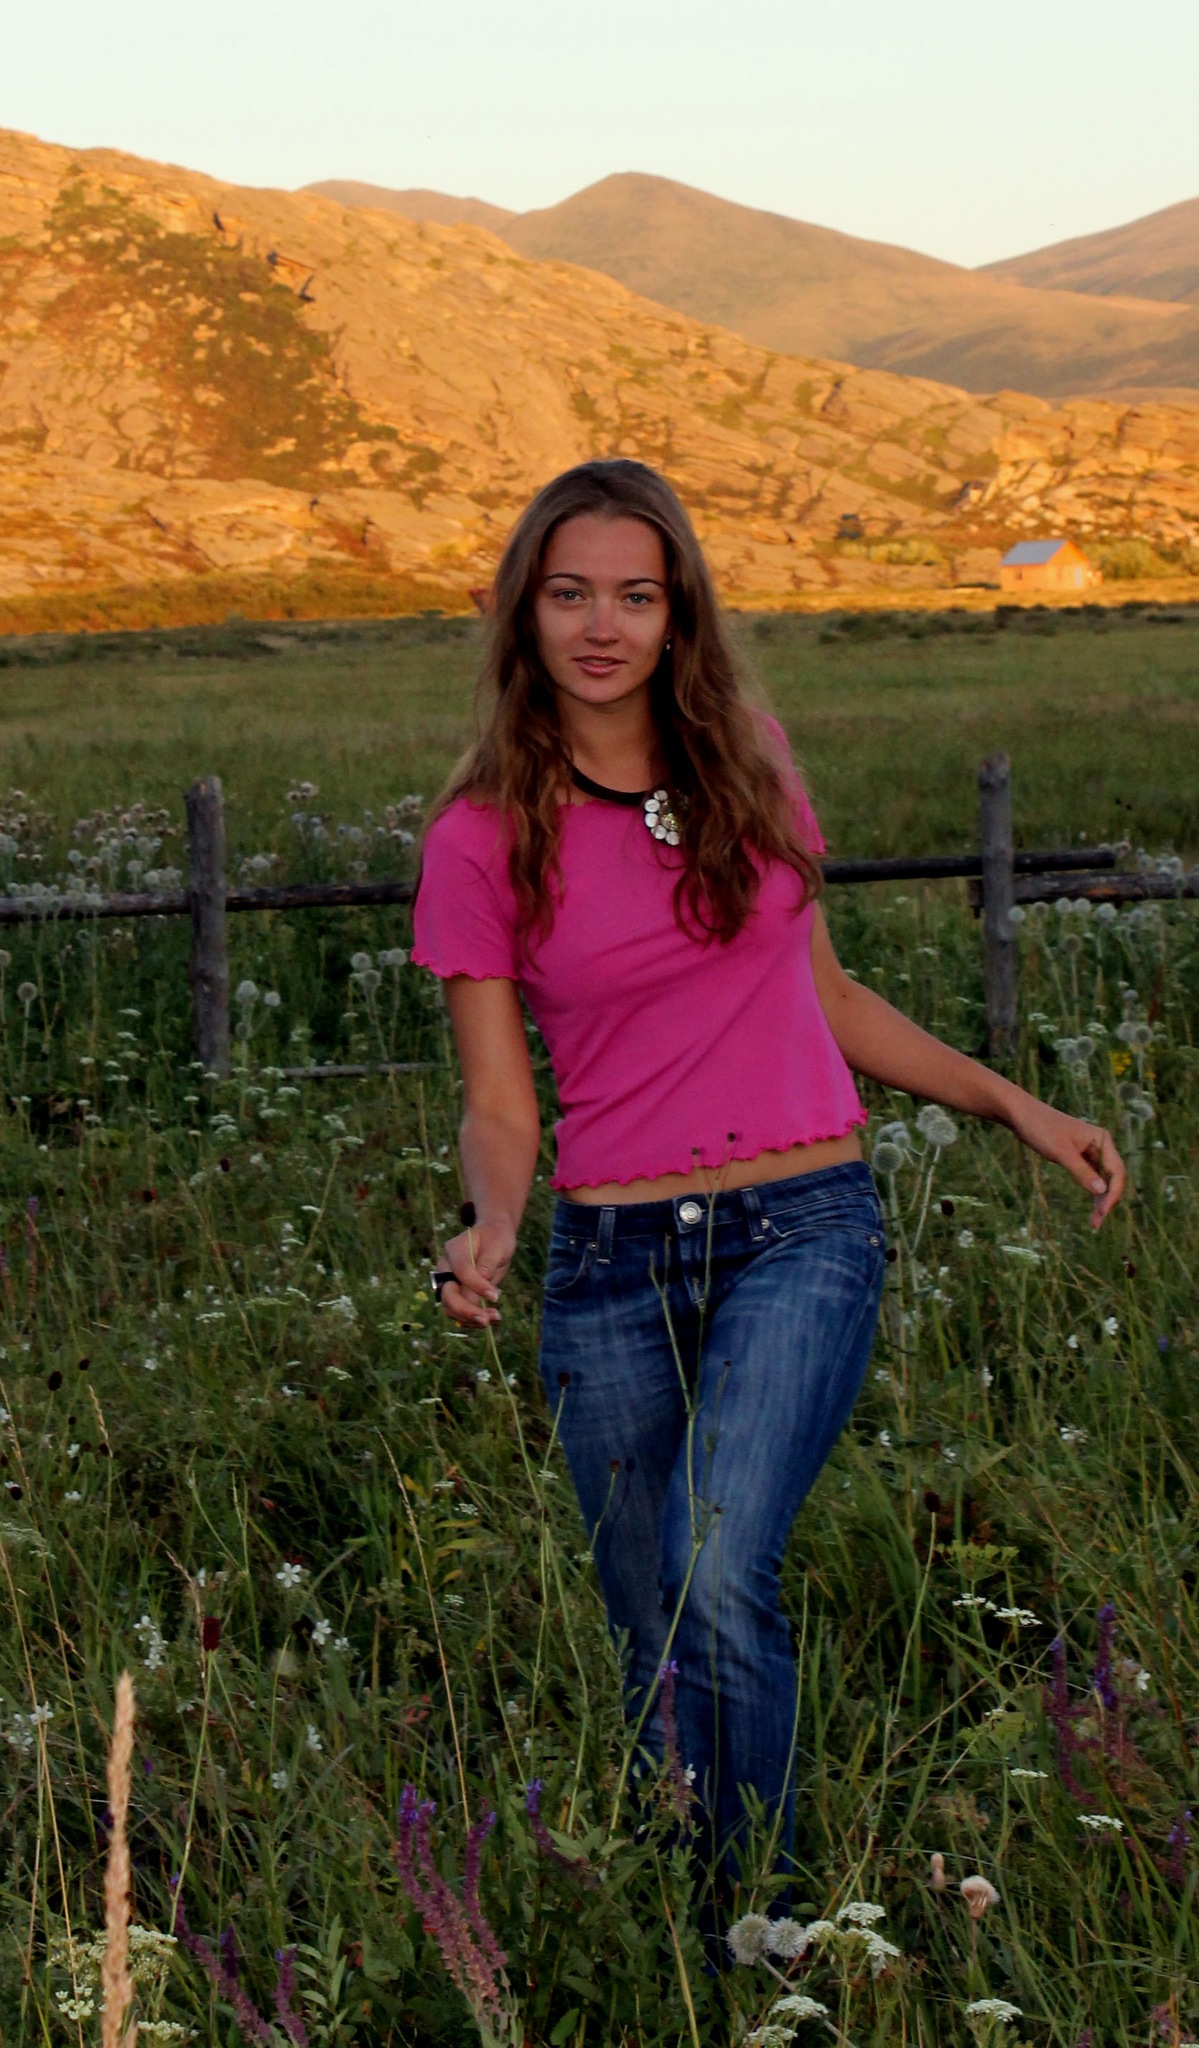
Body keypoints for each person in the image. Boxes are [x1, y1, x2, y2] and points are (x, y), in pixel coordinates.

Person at [411, 459, 1124, 1913]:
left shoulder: (752, 763)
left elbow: (829, 998)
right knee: (654, 1622)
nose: (601, 626)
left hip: (802, 1224)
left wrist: (1012, 1103)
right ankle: (702, 1930)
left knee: (717, 1561)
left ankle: (775, 1922)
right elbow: (498, 1099)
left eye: (635, 595)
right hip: (608, 1263)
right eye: (569, 594)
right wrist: (493, 1221)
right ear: (523, 612)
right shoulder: (480, 836)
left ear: (679, 614)